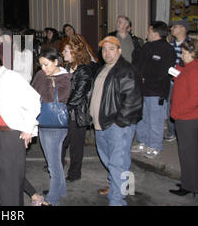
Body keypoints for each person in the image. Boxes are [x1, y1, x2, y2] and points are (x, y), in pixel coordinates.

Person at [0, 51, 40, 206]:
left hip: (11, 136)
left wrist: (28, 128)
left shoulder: (11, 77)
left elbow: (34, 100)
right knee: (1, 178)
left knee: (10, 181)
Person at [89, 36, 142, 206]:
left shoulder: (126, 70)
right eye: (104, 49)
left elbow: (132, 100)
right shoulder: (102, 68)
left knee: (117, 163)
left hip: (117, 126)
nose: (107, 52)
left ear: (119, 51)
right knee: (109, 161)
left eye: (111, 48)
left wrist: (119, 123)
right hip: (101, 124)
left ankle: (117, 201)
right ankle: (116, 187)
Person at [32, 48, 72, 206]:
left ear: (56, 62)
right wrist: (44, 77)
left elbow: (55, 98)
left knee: (54, 164)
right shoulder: (42, 74)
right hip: (43, 121)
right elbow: (32, 91)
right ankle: (61, 190)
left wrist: (48, 81)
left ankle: (52, 199)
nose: (43, 69)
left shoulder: (65, 78)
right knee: (52, 161)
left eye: (46, 64)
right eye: (41, 65)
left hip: (56, 125)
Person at [131, 22, 176, 159]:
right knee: (141, 118)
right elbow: (137, 64)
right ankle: (143, 142)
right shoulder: (146, 47)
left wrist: (146, 78)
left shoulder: (167, 49)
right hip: (142, 90)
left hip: (157, 91)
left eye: (149, 31)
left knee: (155, 119)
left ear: (156, 33)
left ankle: (155, 145)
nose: (147, 34)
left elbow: (163, 71)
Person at [169, 39, 198, 197]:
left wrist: (178, 113)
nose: (181, 56)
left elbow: (196, 98)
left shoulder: (196, 70)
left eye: (183, 53)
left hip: (188, 119)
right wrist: (178, 68)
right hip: (191, 117)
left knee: (188, 154)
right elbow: (179, 79)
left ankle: (189, 186)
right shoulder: (190, 66)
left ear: (192, 53)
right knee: (195, 151)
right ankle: (196, 180)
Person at [61, 37, 93, 182]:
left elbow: (78, 95)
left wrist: (63, 107)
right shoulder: (66, 67)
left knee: (75, 147)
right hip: (65, 112)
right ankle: (58, 166)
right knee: (60, 143)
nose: (63, 53)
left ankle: (74, 173)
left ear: (75, 52)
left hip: (76, 114)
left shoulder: (84, 70)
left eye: (66, 50)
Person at [165, 20, 191, 142]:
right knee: (171, 106)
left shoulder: (190, 45)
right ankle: (172, 132)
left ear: (183, 29)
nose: (171, 29)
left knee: (184, 107)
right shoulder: (170, 45)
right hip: (172, 81)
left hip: (186, 83)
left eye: (175, 27)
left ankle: (183, 132)